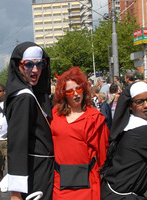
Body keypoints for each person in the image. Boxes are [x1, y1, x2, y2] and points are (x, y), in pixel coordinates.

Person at [4, 42, 54, 200]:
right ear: (18, 66)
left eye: (39, 64)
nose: (35, 70)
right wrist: (16, 194)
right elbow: (17, 145)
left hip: (42, 169)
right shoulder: (24, 98)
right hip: (36, 173)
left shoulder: (30, 93)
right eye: (28, 65)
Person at [51, 67, 109, 200]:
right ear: (63, 94)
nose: (76, 94)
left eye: (78, 89)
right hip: (60, 183)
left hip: (87, 184)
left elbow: (103, 156)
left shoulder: (95, 118)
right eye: (70, 92)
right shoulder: (55, 115)